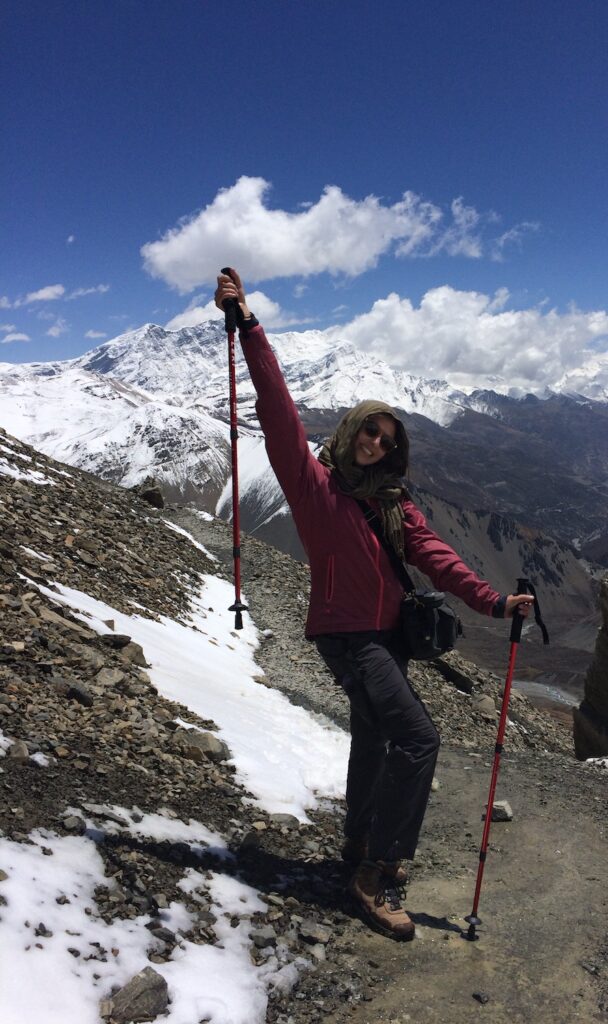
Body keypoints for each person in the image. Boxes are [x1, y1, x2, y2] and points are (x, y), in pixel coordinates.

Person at [215, 269, 533, 941]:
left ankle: (355, 849)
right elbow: (276, 409)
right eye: (371, 433)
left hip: (387, 636)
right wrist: (249, 325)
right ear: (352, 429)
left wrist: (494, 601)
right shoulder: (312, 484)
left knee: (375, 738)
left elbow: (437, 556)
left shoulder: (393, 501)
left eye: (390, 441)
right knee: (419, 738)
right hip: (348, 637)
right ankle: (378, 871)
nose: (379, 446)